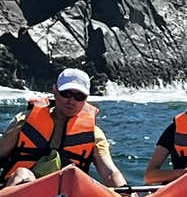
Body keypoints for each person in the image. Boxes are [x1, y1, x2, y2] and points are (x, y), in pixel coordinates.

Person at [0, 68, 129, 188]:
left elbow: (110, 173)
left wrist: (128, 194)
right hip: (22, 191)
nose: (71, 101)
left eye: (79, 97)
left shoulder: (95, 135)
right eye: (66, 94)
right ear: (55, 91)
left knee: (84, 183)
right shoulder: (24, 121)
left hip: (66, 194)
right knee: (22, 174)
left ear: (86, 99)